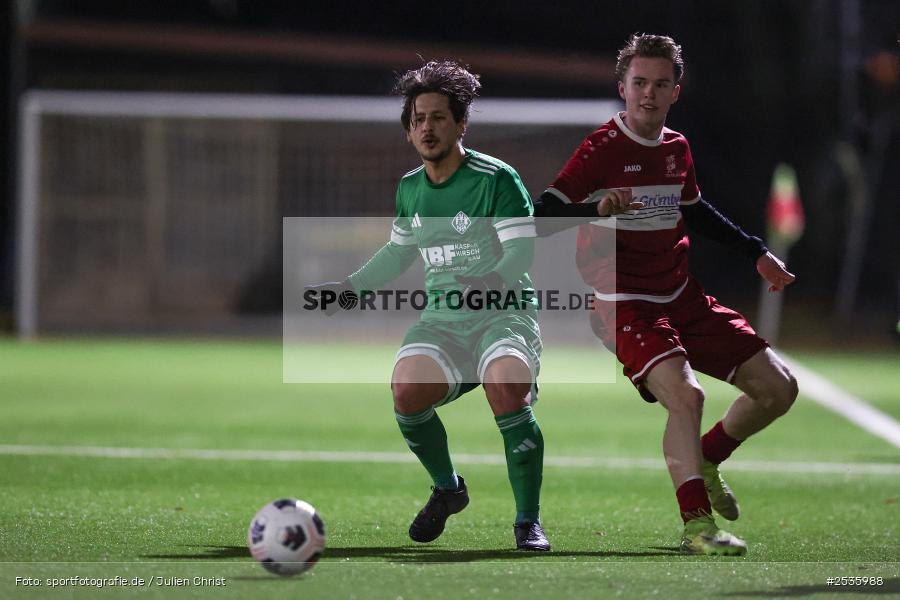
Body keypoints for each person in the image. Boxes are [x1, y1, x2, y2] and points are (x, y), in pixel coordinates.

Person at [534, 34, 798, 555]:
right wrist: (596, 211)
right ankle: (696, 526)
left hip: (680, 293)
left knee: (779, 388)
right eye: (638, 83)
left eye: (660, 84)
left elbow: (694, 210)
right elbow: (542, 217)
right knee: (687, 395)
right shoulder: (600, 149)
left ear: (676, 91)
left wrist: (756, 252)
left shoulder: (676, 148)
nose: (648, 94)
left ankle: (706, 457)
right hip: (621, 302)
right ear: (622, 88)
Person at [307, 60, 550, 550]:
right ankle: (448, 489)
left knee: (506, 387)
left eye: (438, 117)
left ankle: (527, 522)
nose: (427, 127)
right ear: (409, 130)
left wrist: (485, 280)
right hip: (443, 322)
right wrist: (349, 289)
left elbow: (522, 251)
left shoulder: (496, 179)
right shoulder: (410, 188)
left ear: (461, 124)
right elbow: (399, 251)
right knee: (406, 392)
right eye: (418, 119)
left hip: (503, 314)